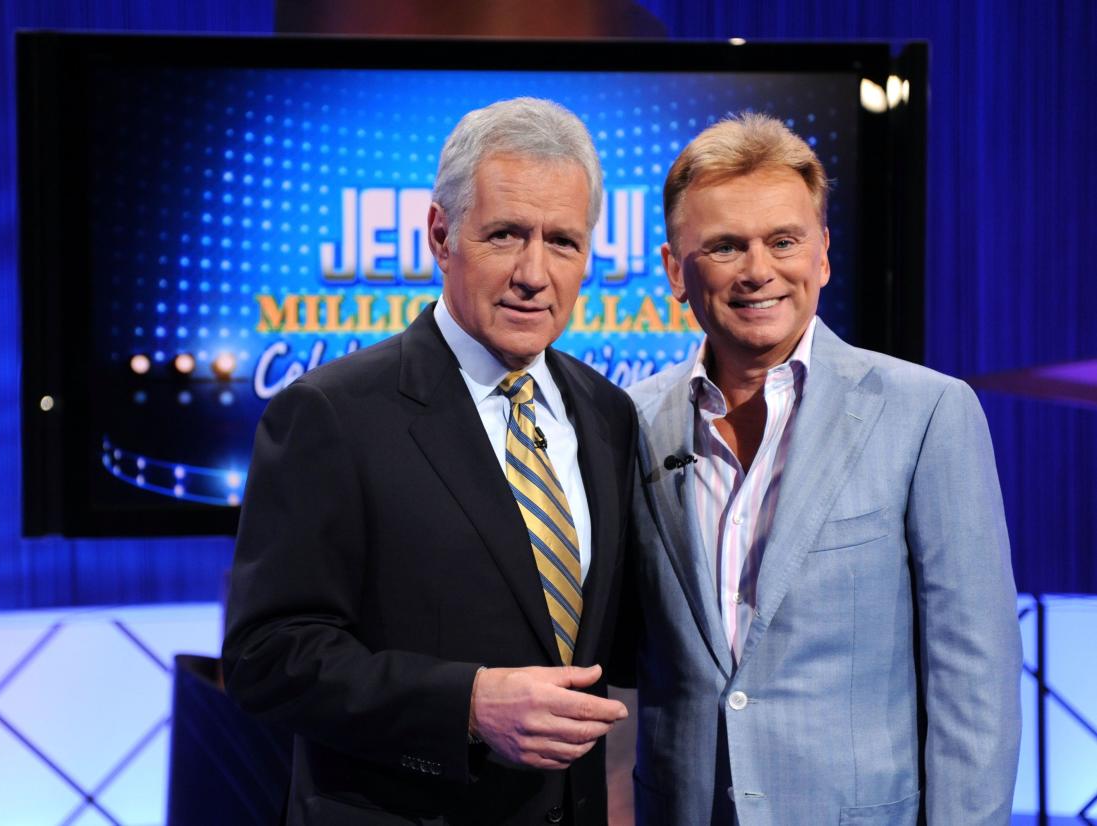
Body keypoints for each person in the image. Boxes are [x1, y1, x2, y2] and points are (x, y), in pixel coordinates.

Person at [223, 97, 638, 826]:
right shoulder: (332, 413)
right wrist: (468, 706)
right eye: (505, 234)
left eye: (563, 242)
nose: (533, 273)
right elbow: (267, 657)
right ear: (440, 236)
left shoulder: (606, 413)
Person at [628, 113, 1021, 825]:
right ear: (673, 271)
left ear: (822, 256)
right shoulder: (628, 422)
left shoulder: (926, 412)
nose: (757, 270)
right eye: (723, 246)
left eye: (783, 241)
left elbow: (975, 679)